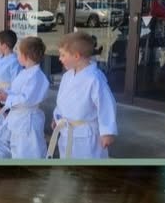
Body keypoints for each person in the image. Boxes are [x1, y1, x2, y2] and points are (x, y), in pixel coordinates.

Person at [47, 31, 117, 159]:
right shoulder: (67, 76)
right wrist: (57, 117)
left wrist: (107, 132)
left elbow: (106, 106)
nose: (59, 58)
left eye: (63, 55)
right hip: (66, 131)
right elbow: (62, 101)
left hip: (86, 136)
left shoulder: (95, 79)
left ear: (76, 56)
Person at [0, 36, 50, 159]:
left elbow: (26, 99)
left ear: (26, 56)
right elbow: (16, 92)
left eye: (18, 54)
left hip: (28, 120)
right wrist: (5, 94)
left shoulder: (37, 76)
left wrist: (7, 98)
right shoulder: (25, 72)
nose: (17, 57)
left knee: (28, 151)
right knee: (16, 149)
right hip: (18, 117)